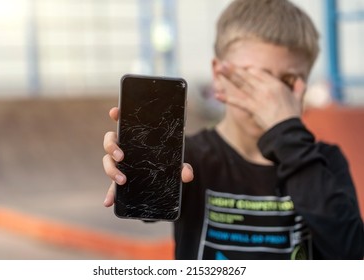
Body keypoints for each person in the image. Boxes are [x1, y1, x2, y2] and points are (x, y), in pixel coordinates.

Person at [103, 0, 364, 259]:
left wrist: (286, 133)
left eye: (285, 81)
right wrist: (136, 174)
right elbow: (148, 207)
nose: (269, 97)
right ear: (219, 75)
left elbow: (351, 254)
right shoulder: (190, 158)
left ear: (303, 85)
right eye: (252, 79)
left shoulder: (324, 163)